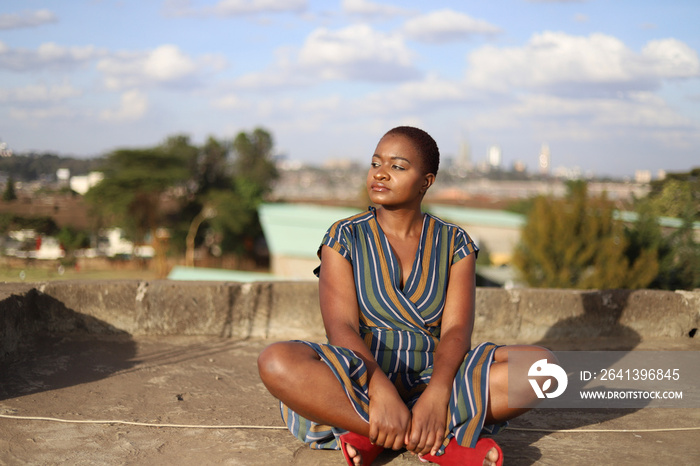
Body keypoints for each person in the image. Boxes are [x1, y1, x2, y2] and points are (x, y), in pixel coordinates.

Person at [258, 126, 555, 466]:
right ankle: (431, 440)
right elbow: (341, 328)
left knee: (543, 370)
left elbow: (456, 332)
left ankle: (378, 434)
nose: (380, 173)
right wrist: (378, 388)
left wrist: (439, 392)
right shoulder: (343, 237)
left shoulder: (455, 243)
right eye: (375, 164)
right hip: (359, 379)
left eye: (397, 166)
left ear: (426, 181)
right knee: (276, 360)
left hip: (436, 375)